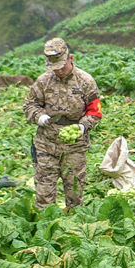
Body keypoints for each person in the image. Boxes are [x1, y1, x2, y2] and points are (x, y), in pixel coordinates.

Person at [23, 38, 102, 211]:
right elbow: (29, 105)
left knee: (74, 193)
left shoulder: (85, 81)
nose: (58, 71)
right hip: (46, 143)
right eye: (54, 68)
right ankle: (45, 227)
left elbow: (95, 111)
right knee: (44, 194)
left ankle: (73, 228)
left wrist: (83, 126)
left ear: (70, 59)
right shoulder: (43, 81)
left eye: (61, 66)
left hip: (74, 145)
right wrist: (39, 117)